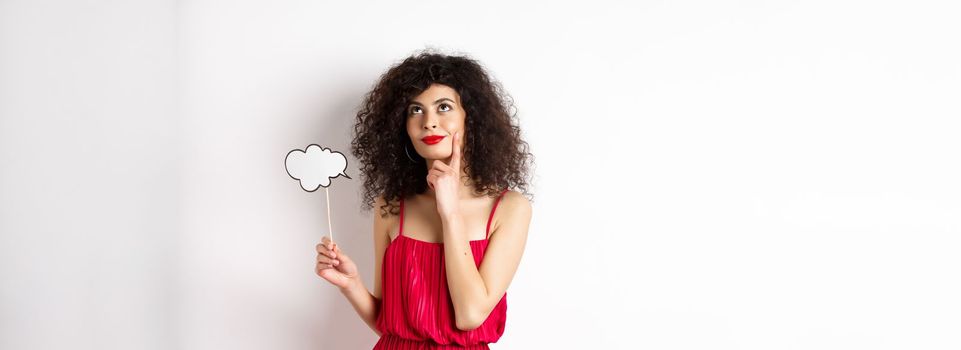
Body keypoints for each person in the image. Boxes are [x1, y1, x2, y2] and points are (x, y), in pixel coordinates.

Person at [314, 49, 534, 349]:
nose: (429, 122)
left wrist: (450, 213)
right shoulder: (391, 206)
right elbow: (388, 324)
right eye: (415, 110)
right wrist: (350, 284)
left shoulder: (509, 208)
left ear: (472, 117)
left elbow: (470, 316)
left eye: (443, 107)